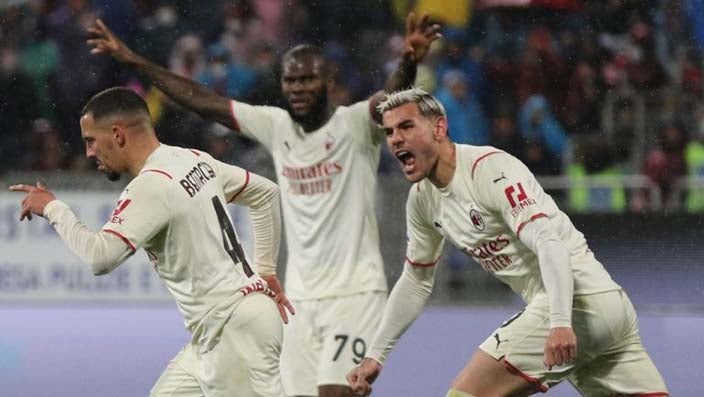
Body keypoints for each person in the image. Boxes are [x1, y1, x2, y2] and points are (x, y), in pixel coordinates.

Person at [86, 13, 441, 397]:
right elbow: (205, 102)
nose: (298, 88)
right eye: (291, 80)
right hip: (301, 299)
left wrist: (408, 59)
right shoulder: (276, 127)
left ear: (329, 81)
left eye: (308, 79)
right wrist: (133, 60)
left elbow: (387, 102)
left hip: (355, 293)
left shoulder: (353, 126)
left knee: (334, 394)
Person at [347, 88, 669, 397]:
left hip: (575, 303)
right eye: (389, 132)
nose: (396, 139)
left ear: (439, 128)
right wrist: (376, 354)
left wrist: (559, 321)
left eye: (406, 126)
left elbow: (547, 240)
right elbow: (416, 280)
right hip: (608, 309)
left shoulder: (489, 169)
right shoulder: (421, 201)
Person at [10, 87, 293, 397]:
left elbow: (100, 257)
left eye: (91, 140)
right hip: (222, 329)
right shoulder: (191, 158)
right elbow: (266, 193)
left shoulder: (151, 185)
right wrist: (265, 271)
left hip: (232, 330)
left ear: (117, 135)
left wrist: (53, 208)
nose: (89, 153)